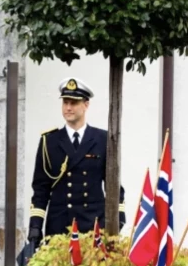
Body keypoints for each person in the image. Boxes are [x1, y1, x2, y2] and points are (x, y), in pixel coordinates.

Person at [28, 77, 126, 246]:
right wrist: (35, 227)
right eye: (65, 102)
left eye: (74, 103)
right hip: (59, 228)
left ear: (86, 105)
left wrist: (118, 220)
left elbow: (113, 186)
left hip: (93, 227)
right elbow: (40, 189)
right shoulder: (49, 142)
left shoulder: (103, 140)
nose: (68, 107)